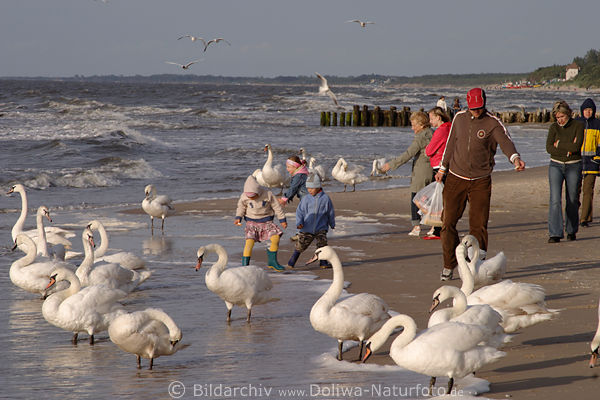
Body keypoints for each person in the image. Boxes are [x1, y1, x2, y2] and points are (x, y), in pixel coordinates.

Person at [435, 88, 525, 281]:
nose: (476, 111)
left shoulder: (492, 122)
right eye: (473, 108)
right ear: (468, 105)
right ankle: (449, 264)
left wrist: (515, 158)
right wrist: (443, 168)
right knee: (447, 222)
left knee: (478, 225)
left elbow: (505, 142)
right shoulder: (459, 118)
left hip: (481, 180)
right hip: (455, 177)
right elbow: (450, 143)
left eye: (480, 108)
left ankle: (476, 264)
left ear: (484, 104)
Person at [381, 111, 434, 236]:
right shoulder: (432, 133)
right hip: (432, 169)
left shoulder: (420, 137)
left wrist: (391, 165)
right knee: (429, 198)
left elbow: (408, 154)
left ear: (421, 125)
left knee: (416, 198)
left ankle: (416, 226)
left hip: (421, 171)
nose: (412, 127)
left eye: (414, 124)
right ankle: (433, 225)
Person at [546, 100, 584, 243]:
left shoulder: (578, 126)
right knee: (555, 199)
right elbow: (549, 148)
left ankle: (571, 230)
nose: (560, 120)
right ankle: (555, 233)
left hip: (574, 165)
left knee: (572, 199)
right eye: (557, 117)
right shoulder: (553, 128)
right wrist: (567, 147)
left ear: (568, 114)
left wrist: (560, 144)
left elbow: (576, 147)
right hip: (555, 165)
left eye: (562, 117)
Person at [235, 175, 288, 271]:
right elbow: (241, 207)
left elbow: (277, 207)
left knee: (275, 238)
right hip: (251, 223)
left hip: (266, 221)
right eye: (249, 196)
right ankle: (245, 265)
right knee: (249, 242)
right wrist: (238, 217)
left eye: (253, 196)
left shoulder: (268, 194)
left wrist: (282, 220)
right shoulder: (244, 197)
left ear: (258, 191)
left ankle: (272, 262)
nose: (251, 198)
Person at [286, 173, 335, 269]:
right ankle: (291, 262)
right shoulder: (306, 199)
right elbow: (300, 212)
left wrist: (331, 223)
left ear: (318, 187)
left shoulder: (325, 198)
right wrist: (299, 223)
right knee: (301, 246)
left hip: (321, 228)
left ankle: (323, 263)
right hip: (306, 228)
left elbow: (330, 212)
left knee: (322, 245)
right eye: (308, 188)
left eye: (312, 188)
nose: (309, 190)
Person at [423, 106, 452, 239]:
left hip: (439, 166)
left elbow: (429, 151)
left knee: (439, 199)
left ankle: (438, 230)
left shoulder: (440, 131)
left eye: (431, 118)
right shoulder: (450, 127)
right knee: (445, 198)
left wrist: (427, 150)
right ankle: (441, 227)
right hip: (449, 165)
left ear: (438, 117)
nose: (430, 121)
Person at [575, 98, 600, 227]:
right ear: (582, 111)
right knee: (574, 191)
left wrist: (598, 158)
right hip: (576, 162)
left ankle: (584, 218)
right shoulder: (576, 123)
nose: (588, 112)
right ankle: (574, 215)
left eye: (590, 110)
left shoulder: (598, 124)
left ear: (593, 111)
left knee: (588, 191)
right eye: (585, 110)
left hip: (592, 163)